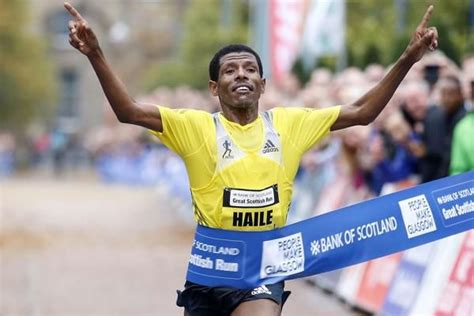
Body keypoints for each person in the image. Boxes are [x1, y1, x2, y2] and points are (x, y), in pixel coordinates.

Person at [64, 2, 438, 315]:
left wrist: (407, 58)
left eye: (250, 70)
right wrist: (95, 53)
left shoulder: (291, 123)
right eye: (230, 70)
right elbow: (128, 110)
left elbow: (362, 111)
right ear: (214, 87)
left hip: (265, 264)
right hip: (210, 269)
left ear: (263, 84)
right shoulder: (192, 126)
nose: (241, 75)